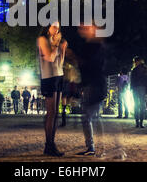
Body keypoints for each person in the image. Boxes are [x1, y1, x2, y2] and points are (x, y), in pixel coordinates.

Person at [75, 23, 108, 157]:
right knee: (92, 117)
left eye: (85, 27)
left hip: (94, 85)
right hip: (95, 84)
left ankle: (93, 147)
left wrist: (75, 58)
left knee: (87, 117)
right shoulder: (95, 46)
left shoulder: (94, 46)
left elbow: (90, 66)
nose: (81, 29)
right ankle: (96, 147)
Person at [37, 21, 67, 156]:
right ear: (48, 27)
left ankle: (51, 144)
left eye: (58, 28)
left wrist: (63, 49)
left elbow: (60, 62)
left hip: (59, 76)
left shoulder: (56, 41)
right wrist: (55, 44)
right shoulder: (43, 39)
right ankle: (49, 144)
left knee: (56, 113)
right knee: (51, 112)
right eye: (54, 27)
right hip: (49, 77)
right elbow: (49, 57)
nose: (56, 30)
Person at [130, 56, 147, 128]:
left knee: (136, 105)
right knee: (142, 105)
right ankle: (141, 122)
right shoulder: (146, 69)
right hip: (143, 88)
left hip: (135, 88)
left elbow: (132, 80)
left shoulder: (134, 69)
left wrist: (131, 88)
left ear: (136, 62)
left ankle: (137, 122)